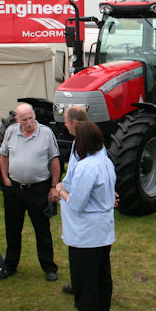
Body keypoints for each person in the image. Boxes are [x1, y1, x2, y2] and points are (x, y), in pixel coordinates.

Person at [56, 121, 116, 311]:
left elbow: (77, 203)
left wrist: (60, 190)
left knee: (85, 282)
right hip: (101, 230)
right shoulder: (105, 162)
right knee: (101, 275)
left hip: (85, 235)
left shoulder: (87, 166)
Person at [0, 103, 61, 280]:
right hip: (15, 190)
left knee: (42, 230)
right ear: (17, 119)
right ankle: (10, 265)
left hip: (38, 190)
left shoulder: (46, 133)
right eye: (24, 119)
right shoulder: (11, 131)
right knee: (12, 229)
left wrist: (54, 186)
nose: (28, 122)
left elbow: (54, 161)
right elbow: (3, 155)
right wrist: (5, 178)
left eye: (31, 117)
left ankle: (49, 267)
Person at [59, 105, 88, 295]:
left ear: (74, 123)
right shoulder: (78, 141)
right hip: (74, 205)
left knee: (81, 251)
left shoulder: (85, 145)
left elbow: (82, 179)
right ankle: (77, 281)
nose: (65, 126)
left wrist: (61, 190)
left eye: (66, 122)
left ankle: (81, 285)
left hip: (80, 207)